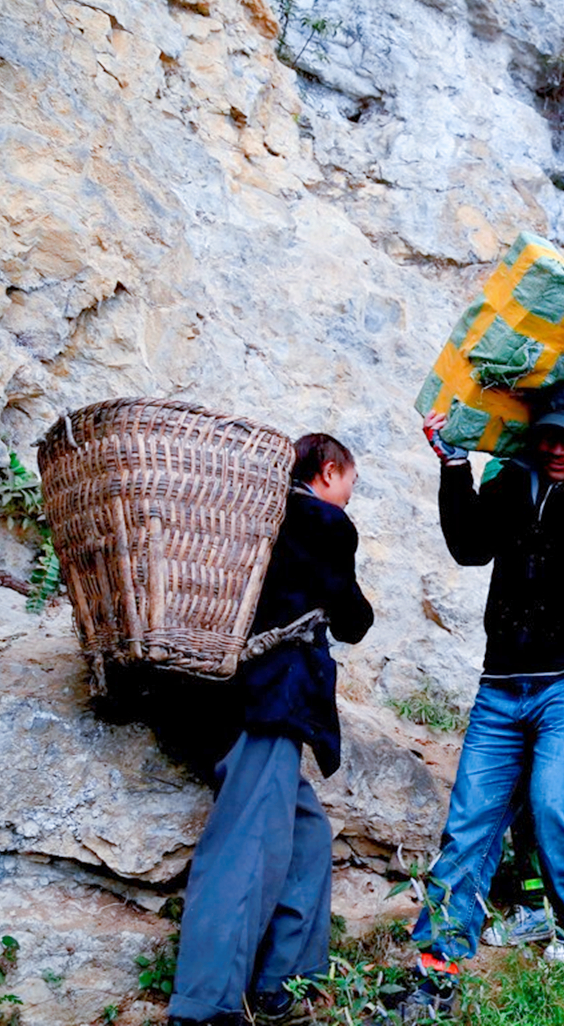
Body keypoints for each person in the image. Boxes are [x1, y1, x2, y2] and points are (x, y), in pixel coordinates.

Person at [403, 291, 564, 1017]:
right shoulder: (514, 477)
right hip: (503, 682)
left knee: (555, 805)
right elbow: (469, 545)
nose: (555, 448)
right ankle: (433, 974)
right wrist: (456, 465)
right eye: (548, 434)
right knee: (469, 828)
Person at [166, 434, 375, 1026]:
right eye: (350, 485)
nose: (348, 498)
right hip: (266, 702)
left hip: (219, 698)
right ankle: (205, 1006)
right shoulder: (319, 520)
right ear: (329, 471)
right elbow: (354, 619)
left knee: (306, 836)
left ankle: (282, 984)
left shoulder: (250, 520)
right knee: (246, 847)